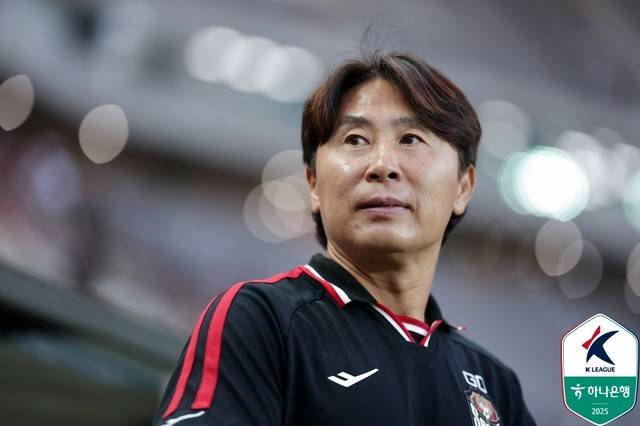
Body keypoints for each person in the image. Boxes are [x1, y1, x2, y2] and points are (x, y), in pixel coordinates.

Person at [152, 50, 536, 426]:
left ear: (463, 187)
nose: (382, 165)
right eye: (355, 139)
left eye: (411, 139)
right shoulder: (262, 320)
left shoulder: (497, 387)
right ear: (313, 184)